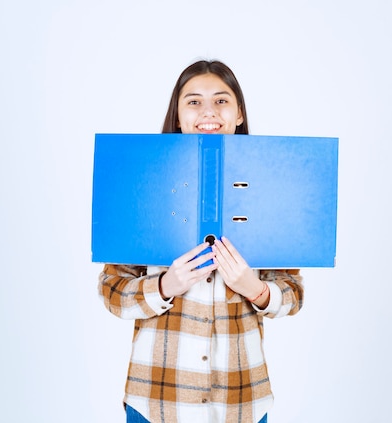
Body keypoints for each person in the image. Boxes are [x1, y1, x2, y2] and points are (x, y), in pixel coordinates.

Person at [98, 60, 304, 423]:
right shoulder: (145, 180)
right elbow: (111, 291)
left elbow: (293, 293)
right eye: (193, 102)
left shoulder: (269, 184)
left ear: (238, 112)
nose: (208, 112)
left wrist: (254, 289)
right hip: (157, 400)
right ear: (177, 115)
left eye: (221, 100)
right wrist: (164, 286)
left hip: (242, 403)